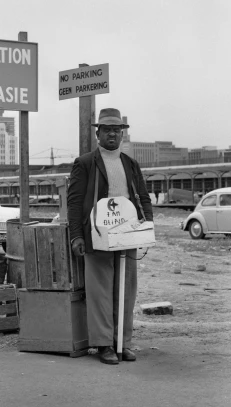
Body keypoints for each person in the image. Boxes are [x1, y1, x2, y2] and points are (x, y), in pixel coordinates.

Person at [67, 108, 153, 365]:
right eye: (107, 129)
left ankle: (122, 343)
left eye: (117, 129)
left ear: (123, 134)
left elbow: (143, 197)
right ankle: (104, 344)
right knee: (100, 291)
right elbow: (74, 202)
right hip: (97, 233)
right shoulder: (84, 163)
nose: (113, 133)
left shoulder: (130, 164)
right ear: (98, 134)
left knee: (126, 289)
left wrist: (147, 225)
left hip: (128, 232)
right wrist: (76, 236)